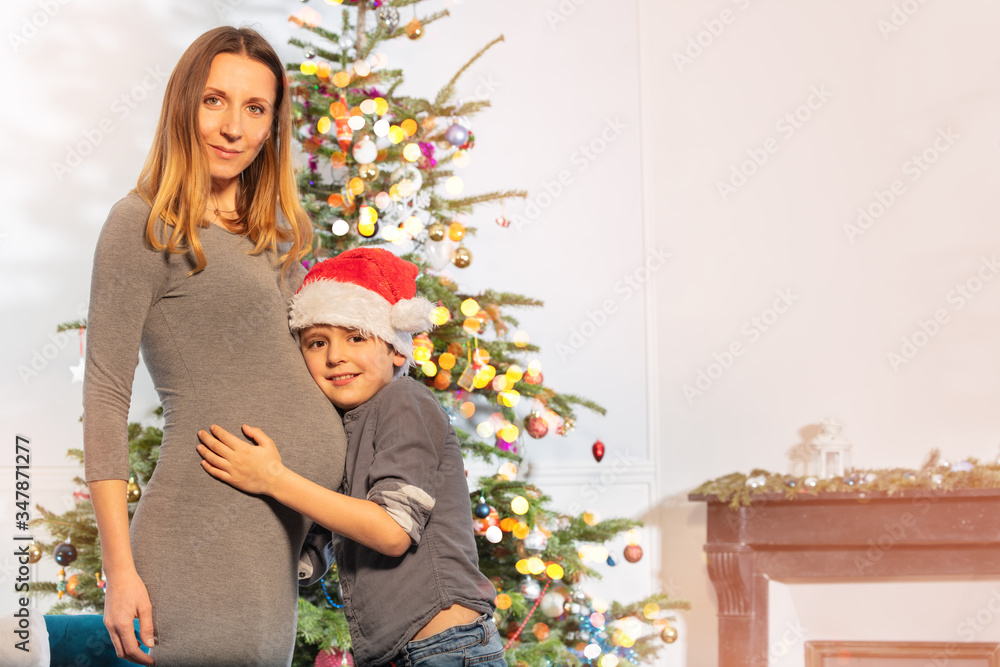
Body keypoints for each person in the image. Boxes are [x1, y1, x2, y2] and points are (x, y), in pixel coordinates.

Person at [83, 26, 347, 666]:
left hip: (275, 547)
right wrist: (120, 571)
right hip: (200, 539)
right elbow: (105, 392)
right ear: (183, 106)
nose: (232, 126)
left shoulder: (278, 237)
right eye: (214, 100)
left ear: (270, 126)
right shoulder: (145, 222)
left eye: (254, 108)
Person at [196, 248, 504, 667]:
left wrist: (273, 478)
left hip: (447, 647)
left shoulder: (404, 401)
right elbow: (317, 548)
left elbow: (392, 531)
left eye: (356, 336)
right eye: (317, 342)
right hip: (398, 653)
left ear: (397, 349)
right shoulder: (345, 428)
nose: (334, 356)